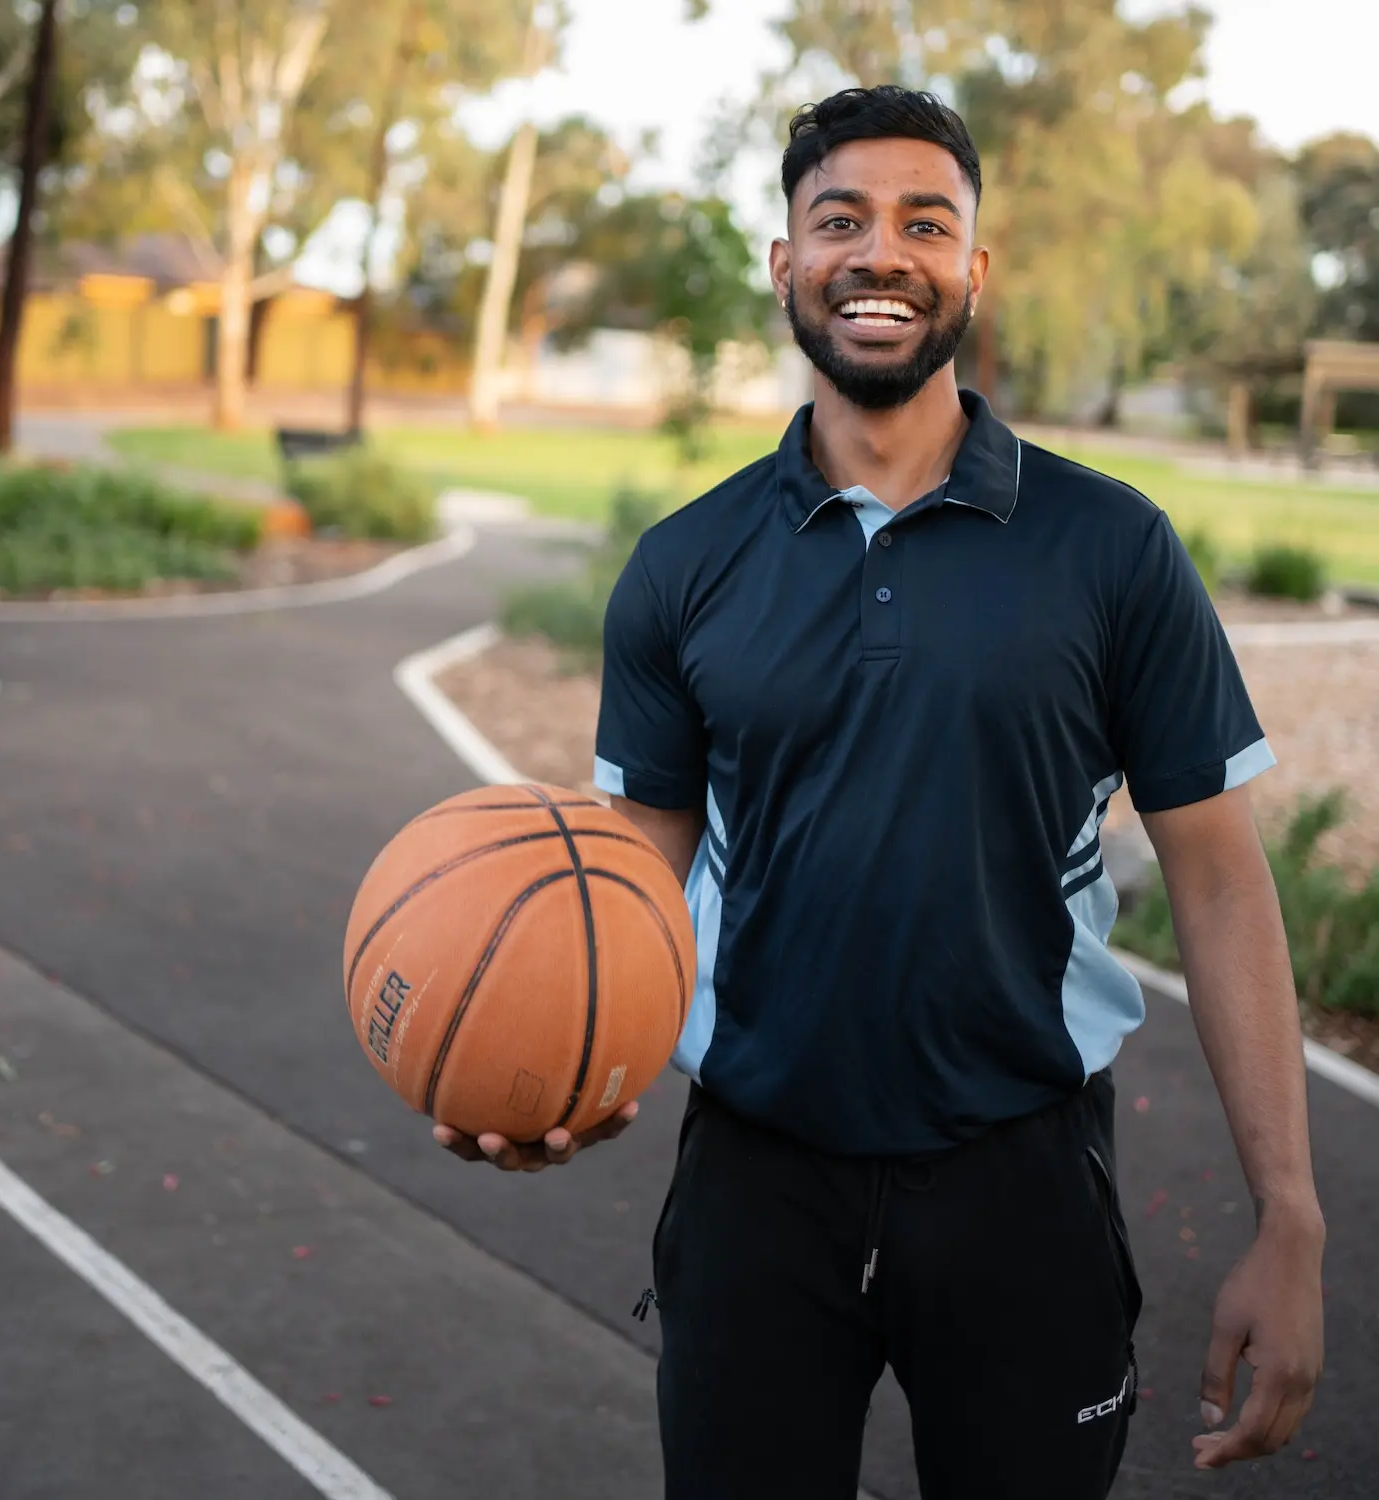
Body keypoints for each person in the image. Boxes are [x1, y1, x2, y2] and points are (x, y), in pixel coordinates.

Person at [433, 85, 1325, 1498]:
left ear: (976, 268)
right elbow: (629, 891)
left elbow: (1218, 880)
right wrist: (553, 1071)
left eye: (928, 221)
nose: (880, 253)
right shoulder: (684, 565)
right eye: (837, 218)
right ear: (784, 261)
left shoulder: (1112, 549)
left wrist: (1291, 1216)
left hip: (1023, 1170)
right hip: (757, 1178)